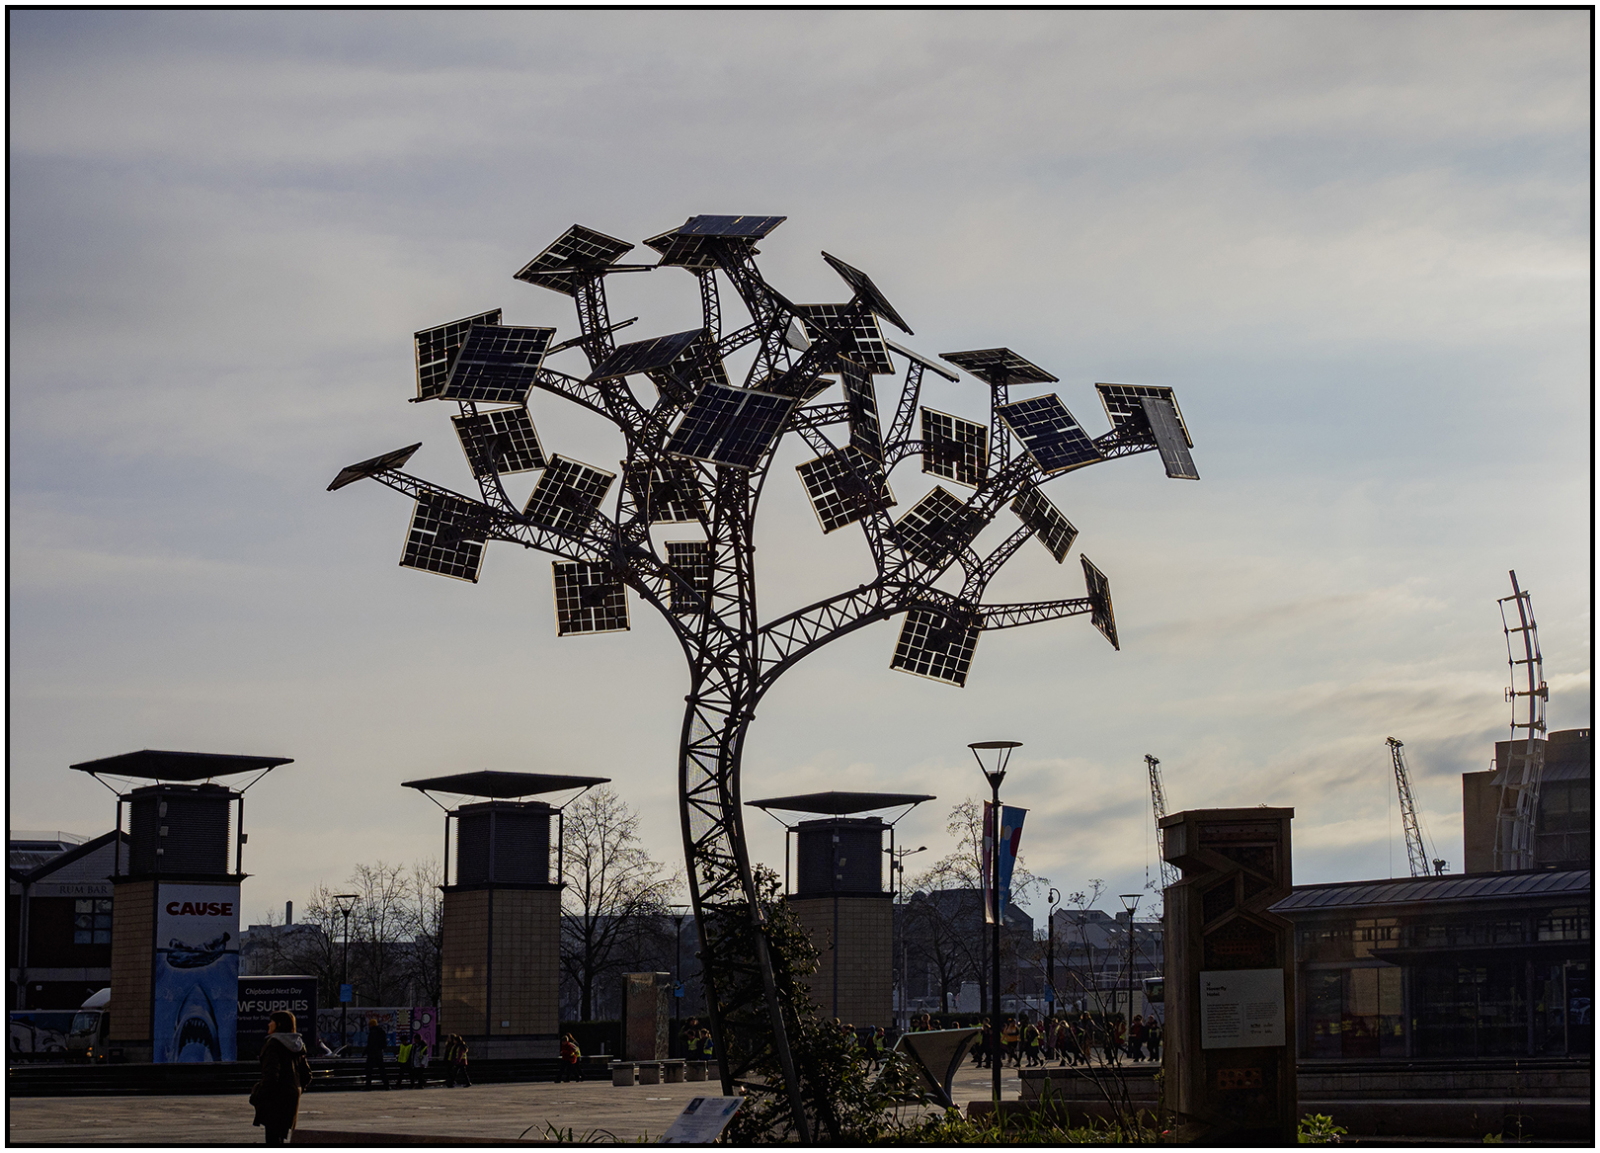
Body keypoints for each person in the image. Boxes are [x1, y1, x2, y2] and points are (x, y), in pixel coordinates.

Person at [250, 1010, 313, 1145]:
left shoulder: (273, 1044)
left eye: (271, 1021)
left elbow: (271, 1075)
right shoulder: (297, 1045)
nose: (269, 1024)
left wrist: (258, 1094)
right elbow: (307, 1075)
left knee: (273, 1138)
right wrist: (295, 1089)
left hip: (275, 1098)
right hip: (291, 1096)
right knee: (280, 1136)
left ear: (278, 1024)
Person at [363, 1016, 390, 1090]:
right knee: (382, 1070)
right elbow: (384, 1044)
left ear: (371, 1025)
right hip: (379, 1054)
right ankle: (386, 1085)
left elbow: (370, 1044)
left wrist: (365, 1052)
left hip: (372, 1054)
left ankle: (368, 1086)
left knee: (369, 1071)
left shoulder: (372, 1032)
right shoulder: (381, 1031)